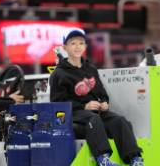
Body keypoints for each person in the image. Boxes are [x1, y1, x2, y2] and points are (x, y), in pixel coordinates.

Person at [49, 29, 144, 166]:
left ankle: (134, 159)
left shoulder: (91, 70)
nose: (77, 47)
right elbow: (58, 103)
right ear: (65, 47)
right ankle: (102, 159)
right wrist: (83, 106)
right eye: (73, 43)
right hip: (73, 113)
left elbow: (102, 93)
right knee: (93, 119)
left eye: (81, 43)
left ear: (85, 46)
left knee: (120, 121)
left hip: (95, 113)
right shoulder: (59, 74)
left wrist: (104, 102)